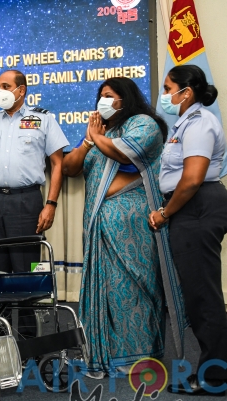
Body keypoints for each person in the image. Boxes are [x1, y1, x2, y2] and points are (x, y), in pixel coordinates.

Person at [62, 77, 176, 377]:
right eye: (100, 95)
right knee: (106, 290)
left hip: (132, 226)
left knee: (133, 287)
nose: (103, 100)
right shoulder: (101, 133)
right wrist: (89, 141)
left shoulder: (144, 125)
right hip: (99, 223)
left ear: (125, 99)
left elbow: (126, 153)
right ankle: (106, 355)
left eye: (109, 95)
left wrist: (96, 137)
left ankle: (139, 356)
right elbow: (70, 167)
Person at [149, 65, 227, 396]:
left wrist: (164, 213)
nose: (164, 95)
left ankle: (214, 376)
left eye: (168, 88)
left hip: (198, 205)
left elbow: (192, 178)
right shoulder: (185, 123)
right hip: (193, 206)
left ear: (186, 92)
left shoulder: (199, 123)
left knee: (201, 295)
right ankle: (224, 370)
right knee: (203, 292)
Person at [0, 69, 68, 272]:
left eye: (6, 87)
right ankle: (0, 294)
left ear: (21, 90)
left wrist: (51, 204)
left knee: (26, 266)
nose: (0, 91)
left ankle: (27, 295)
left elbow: (58, 164)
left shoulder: (42, 119)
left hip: (26, 200)